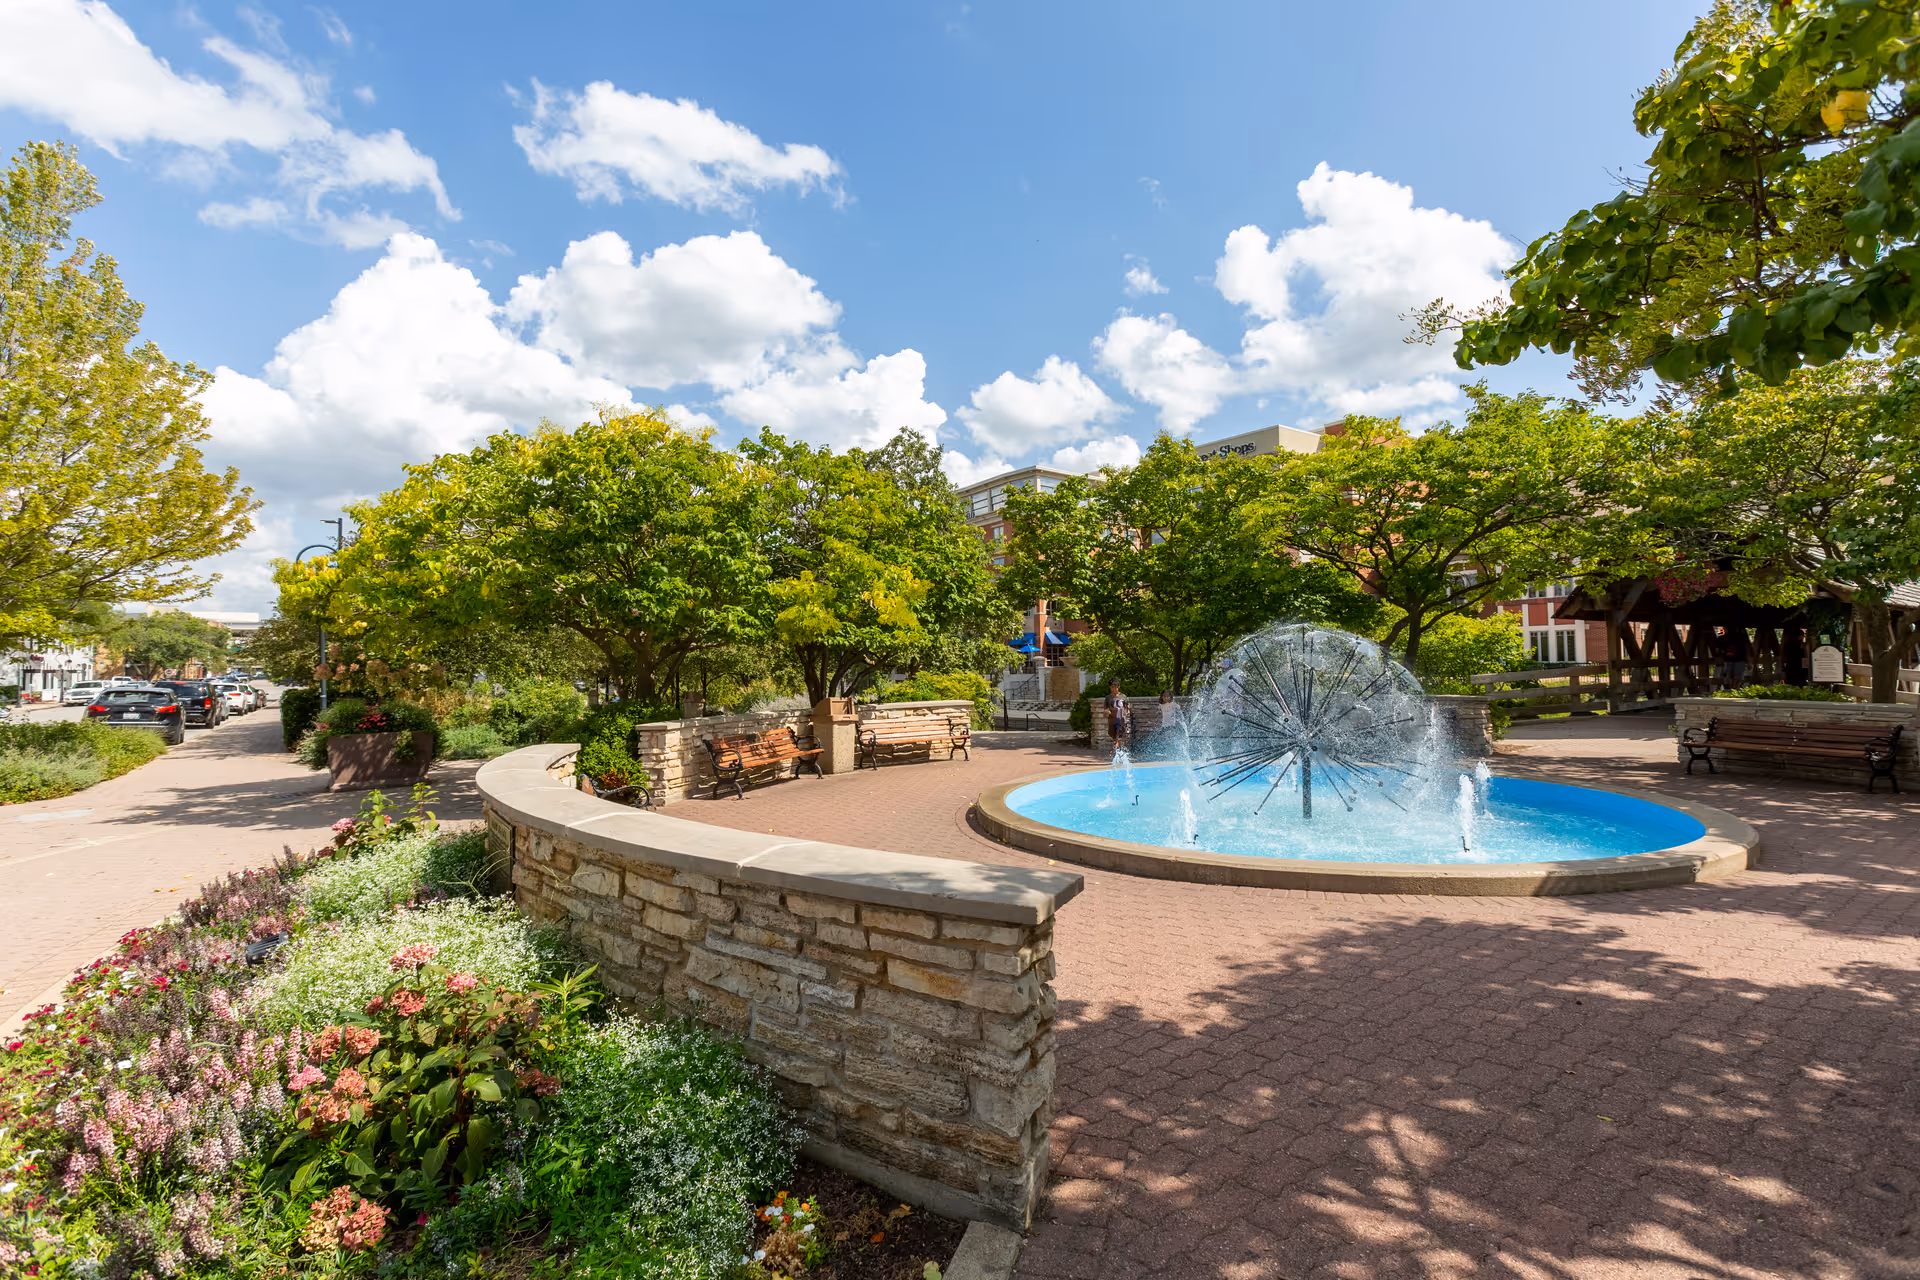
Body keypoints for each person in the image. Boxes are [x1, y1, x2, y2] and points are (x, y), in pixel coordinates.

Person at [1107, 681, 1133, 747]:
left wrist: (1128, 714)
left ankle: (1118, 749)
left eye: (1115, 687)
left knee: (1119, 735)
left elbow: (1127, 706)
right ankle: (1117, 748)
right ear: (1110, 687)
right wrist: (1107, 712)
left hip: (1121, 719)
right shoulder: (1108, 698)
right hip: (1112, 719)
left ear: (1118, 687)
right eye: (1112, 687)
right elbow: (1106, 708)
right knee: (1114, 736)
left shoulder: (1123, 697)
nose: (1114, 689)